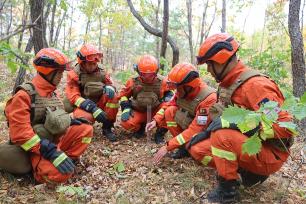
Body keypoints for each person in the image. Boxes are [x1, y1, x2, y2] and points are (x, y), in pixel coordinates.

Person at [195, 33, 294, 203]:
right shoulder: (227, 85)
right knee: (198, 149)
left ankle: (227, 193)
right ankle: (246, 173)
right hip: (248, 145)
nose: (208, 70)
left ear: (221, 60)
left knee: (222, 136)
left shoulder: (255, 86)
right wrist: (206, 131)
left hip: (270, 153)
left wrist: (236, 124)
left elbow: (284, 127)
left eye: (210, 64)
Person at [0, 48, 93, 183]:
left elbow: (56, 116)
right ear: (48, 71)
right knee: (61, 175)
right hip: (34, 149)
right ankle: (38, 173)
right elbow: (19, 133)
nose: (62, 76)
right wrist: (47, 150)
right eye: (59, 72)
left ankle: (67, 158)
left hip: (52, 141)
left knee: (85, 129)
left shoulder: (53, 94)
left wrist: (70, 121)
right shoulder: (24, 95)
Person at [146, 63, 217, 167]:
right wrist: (155, 120)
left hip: (206, 134)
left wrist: (168, 146)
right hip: (192, 126)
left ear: (188, 86)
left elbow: (196, 129)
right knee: (170, 111)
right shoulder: (182, 91)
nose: (176, 91)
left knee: (196, 151)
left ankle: (219, 165)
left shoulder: (208, 99)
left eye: (177, 87)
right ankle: (184, 147)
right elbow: (168, 105)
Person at [64, 44, 119, 142]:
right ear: (83, 63)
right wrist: (92, 108)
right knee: (84, 119)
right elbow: (73, 96)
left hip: (99, 102)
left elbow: (110, 83)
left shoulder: (102, 71)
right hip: (84, 105)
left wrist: (110, 88)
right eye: (90, 64)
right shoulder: (74, 74)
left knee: (113, 96)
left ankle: (107, 126)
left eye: (95, 63)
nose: (93, 66)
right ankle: (84, 129)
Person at [118, 55, 172, 143]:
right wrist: (126, 107)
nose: (147, 77)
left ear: (156, 72)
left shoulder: (163, 81)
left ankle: (160, 133)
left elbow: (170, 94)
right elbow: (123, 95)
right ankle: (140, 127)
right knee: (126, 123)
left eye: (151, 75)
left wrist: (168, 97)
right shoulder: (133, 81)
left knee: (169, 109)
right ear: (139, 72)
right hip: (139, 110)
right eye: (144, 75)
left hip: (155, 110)